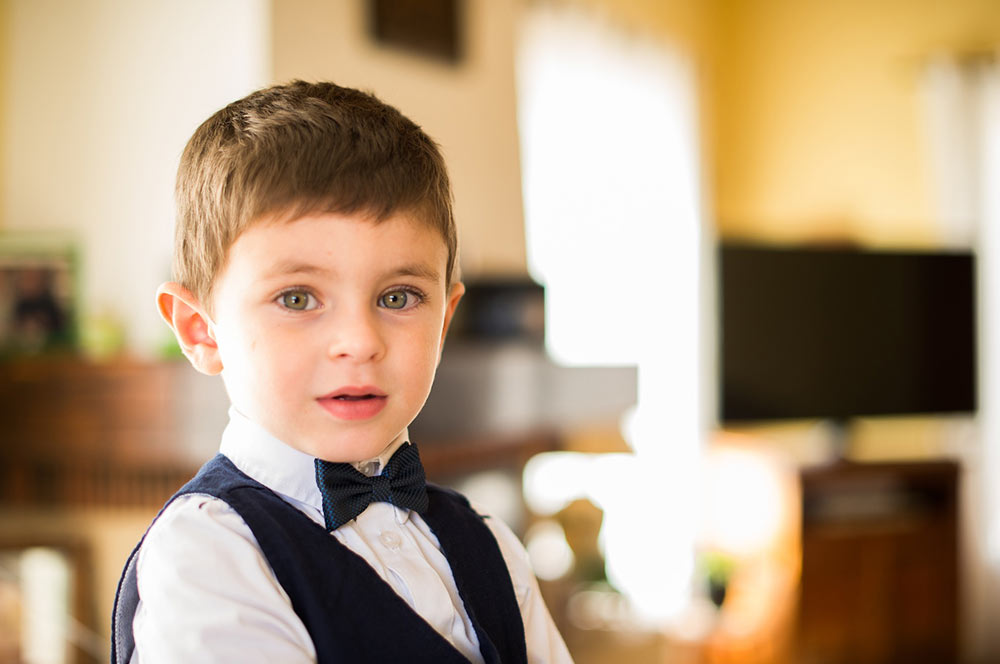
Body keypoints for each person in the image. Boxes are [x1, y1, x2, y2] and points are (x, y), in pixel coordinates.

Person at [111, 81, 573, 664]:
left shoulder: (491, 545)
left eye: (399, 297)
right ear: (202, 331)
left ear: (444, 321)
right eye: (298, 299)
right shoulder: (209, 554)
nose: (359, 342)